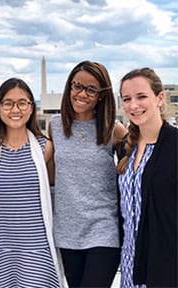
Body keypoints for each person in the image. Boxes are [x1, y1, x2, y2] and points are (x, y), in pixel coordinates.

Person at [0, 77, 65, 288]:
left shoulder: (45, 148)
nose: (16, 109)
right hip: (0, 249)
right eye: (8, 103)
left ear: (31, 108)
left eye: (23, 102)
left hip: (38, 248)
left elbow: (53, 187)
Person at [49, 60, 128, 287]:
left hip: (103, 228)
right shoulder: (55, 126)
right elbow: (52, 175)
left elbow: (135, 167)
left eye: (91, 89)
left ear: (102, 95)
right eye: (77, 86)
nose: (82, 93)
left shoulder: (112, 128)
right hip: (67, 229)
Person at [117, 67, 177, 287]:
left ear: (159, 98)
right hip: (130, 264)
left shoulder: (174, 145)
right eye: (127, 99)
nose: (134, 105)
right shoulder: (125, 148)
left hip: (165, 266)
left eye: (141, 96)